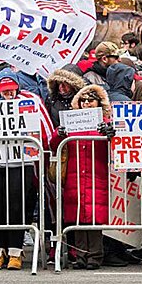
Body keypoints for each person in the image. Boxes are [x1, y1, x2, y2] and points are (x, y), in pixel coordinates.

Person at [0, 68, 45, 270]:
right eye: (4, 90)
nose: (8, 93)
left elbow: (38, 130)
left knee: (17, 207)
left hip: (20, 164)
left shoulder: (28, 103)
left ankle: (16, 252)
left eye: (12, 89)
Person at [50, 84, 112, 270]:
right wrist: (59, 135)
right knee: (77, 217)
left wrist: (109, 134)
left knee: (93, 218)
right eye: (83, 100)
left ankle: (94, 256)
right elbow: (54, 145)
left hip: (96, 175)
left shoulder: (106, 123)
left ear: (98, 103)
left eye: (90, 100)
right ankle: (80, 256)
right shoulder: (71, 122)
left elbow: (116, 145)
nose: (86, 104)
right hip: (74, 176)